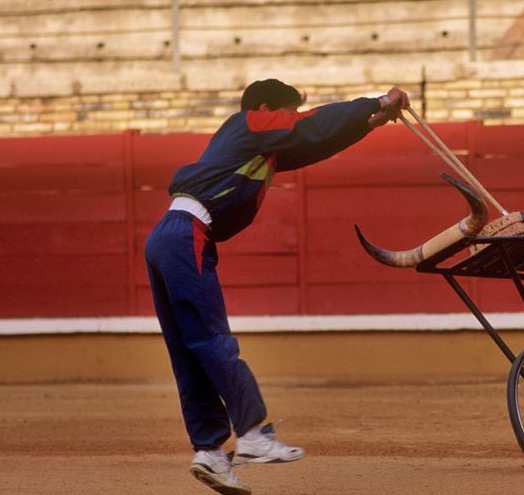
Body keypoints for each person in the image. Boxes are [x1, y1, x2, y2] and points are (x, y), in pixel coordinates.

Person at [144, 79, 409, 494]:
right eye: (286, 113)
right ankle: (251, 434)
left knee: (190, 349)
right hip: (187, 234)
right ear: (266, 109)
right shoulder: (249, 123)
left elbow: (312, 144)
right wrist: (375, 101)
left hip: (169, 237)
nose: (289, 121)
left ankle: (211, 452)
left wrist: (367, 123)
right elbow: (308, 127)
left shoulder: (257, 148)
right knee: (212, 341)